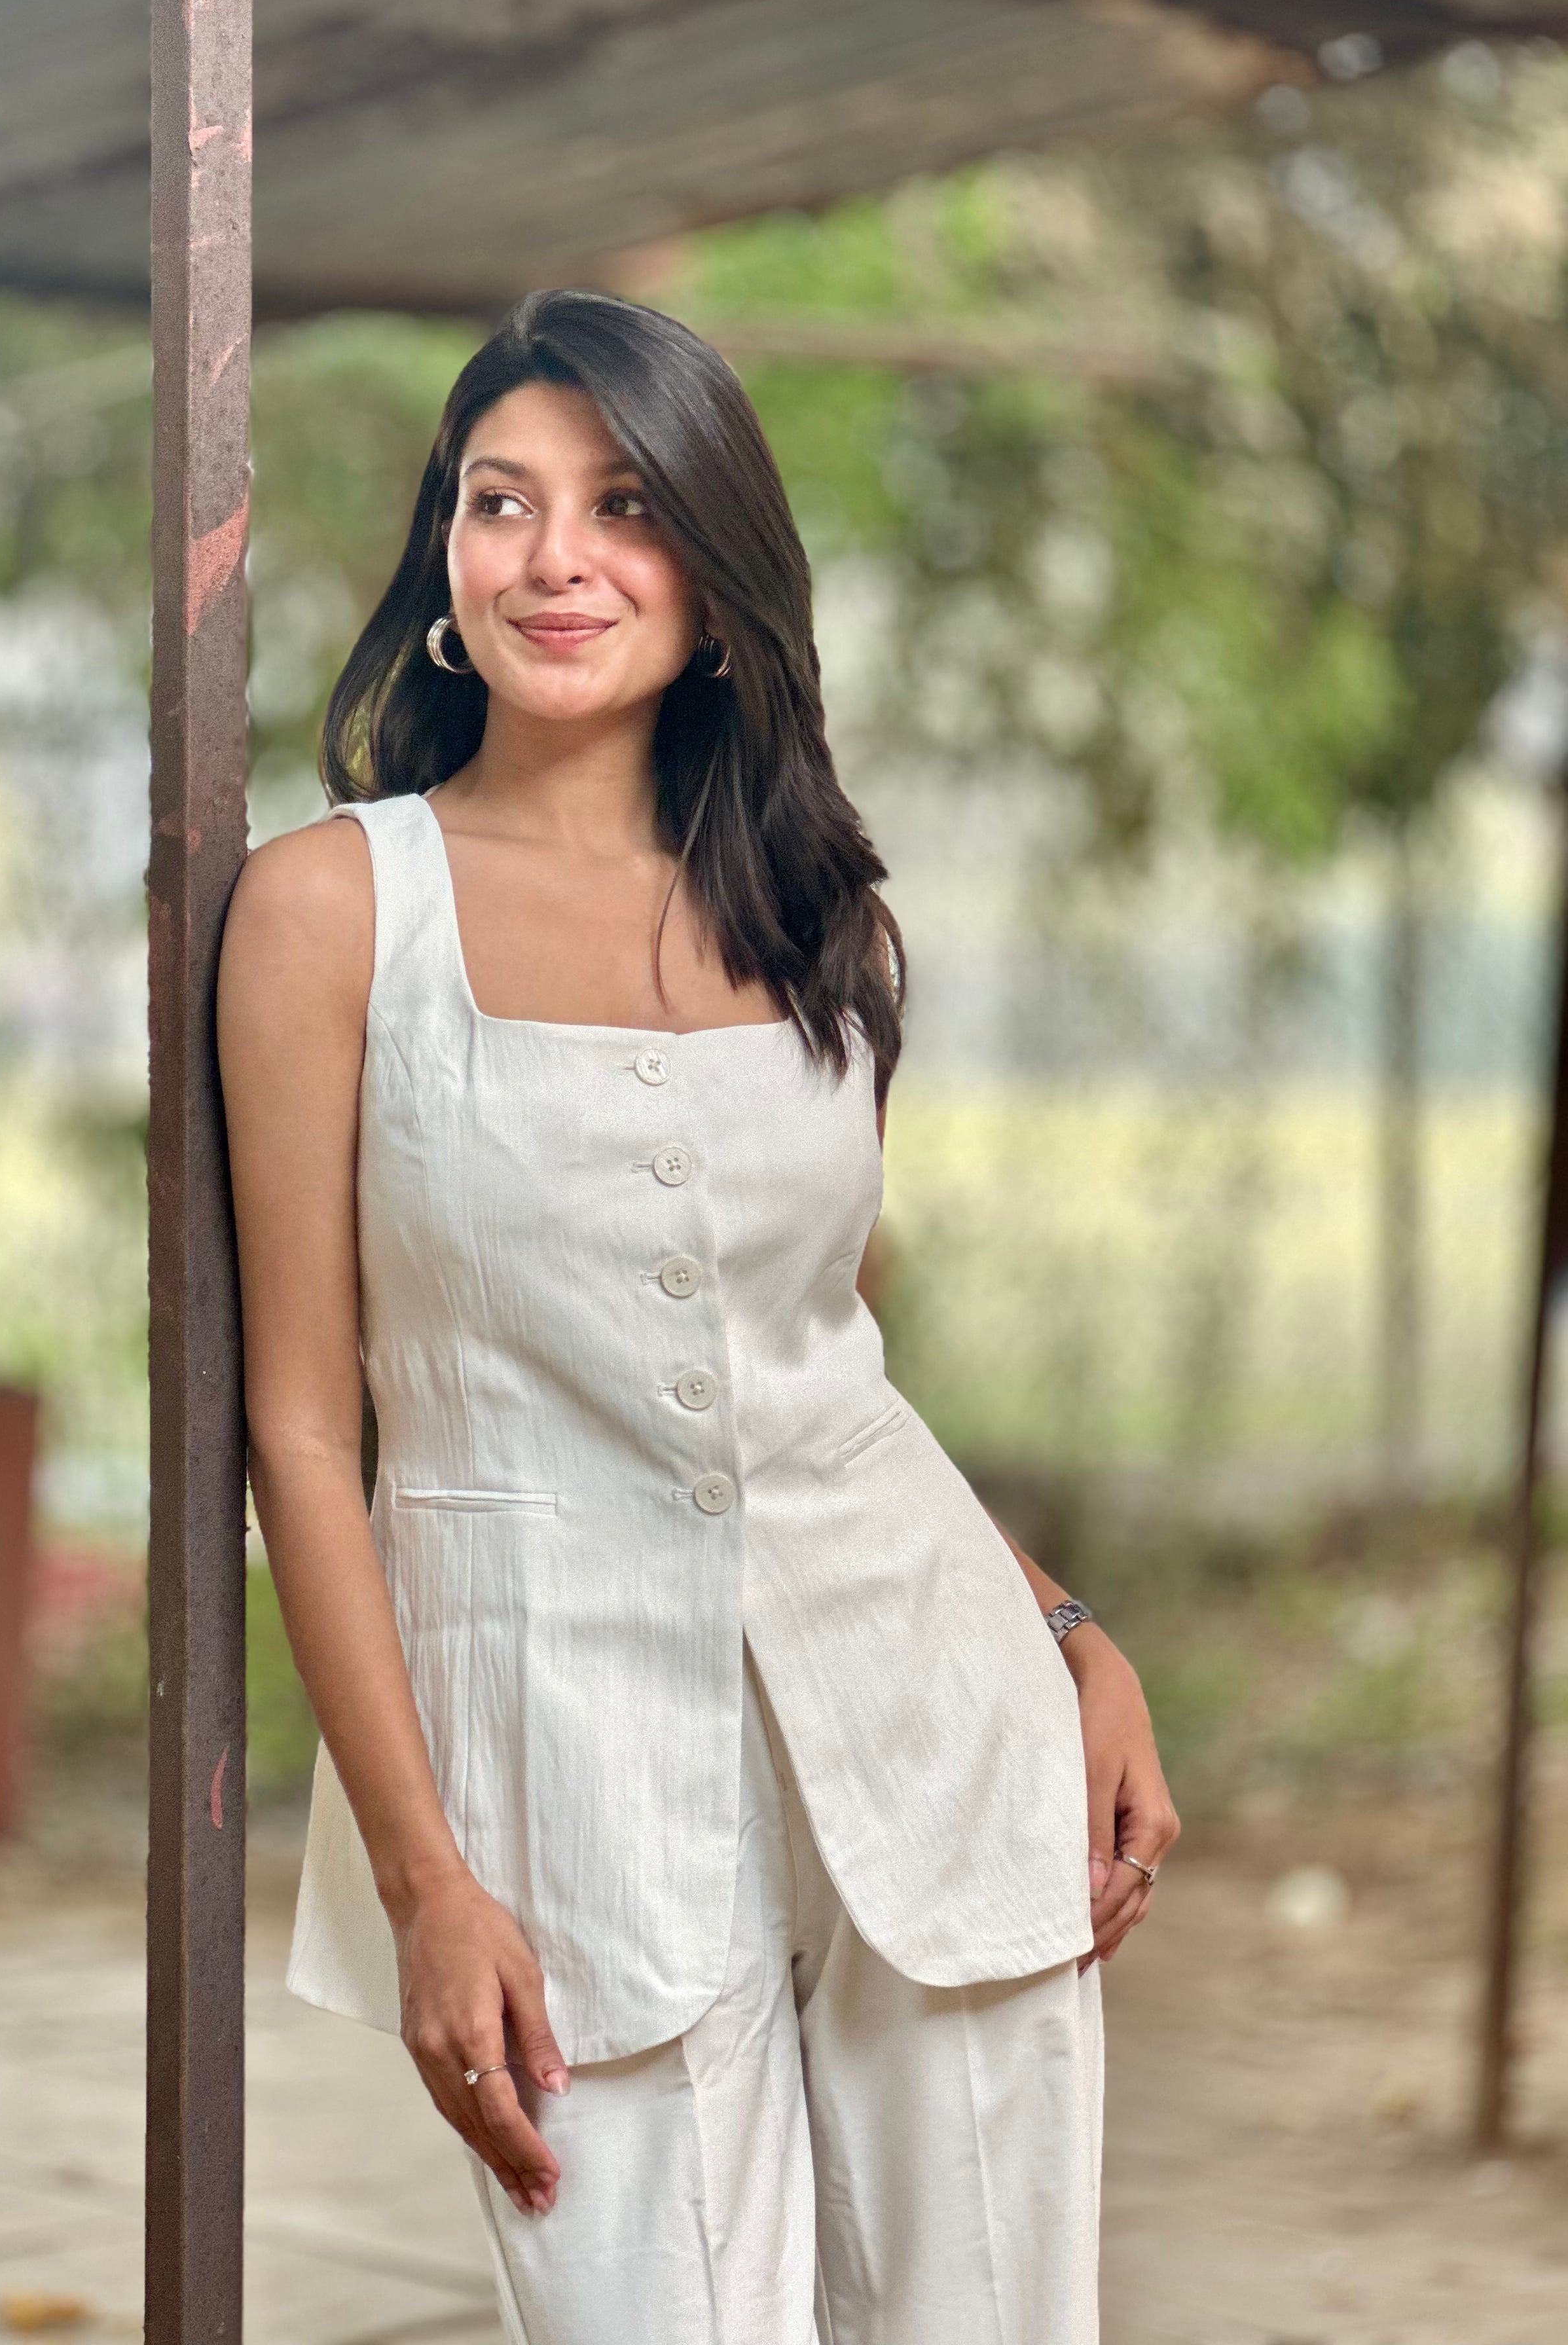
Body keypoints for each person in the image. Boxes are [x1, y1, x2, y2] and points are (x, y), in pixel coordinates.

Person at [217, 289, 1178, 2345]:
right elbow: (306, 1434)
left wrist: (1065, 1636)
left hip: (931, 1728)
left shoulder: (825, 925)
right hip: (551, 1777)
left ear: (719, 587)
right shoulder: (327, 914)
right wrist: (421, 1883)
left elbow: (823, 1381)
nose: (555, 556)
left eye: (624, 504)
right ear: (445, 569)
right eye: (501, 502)